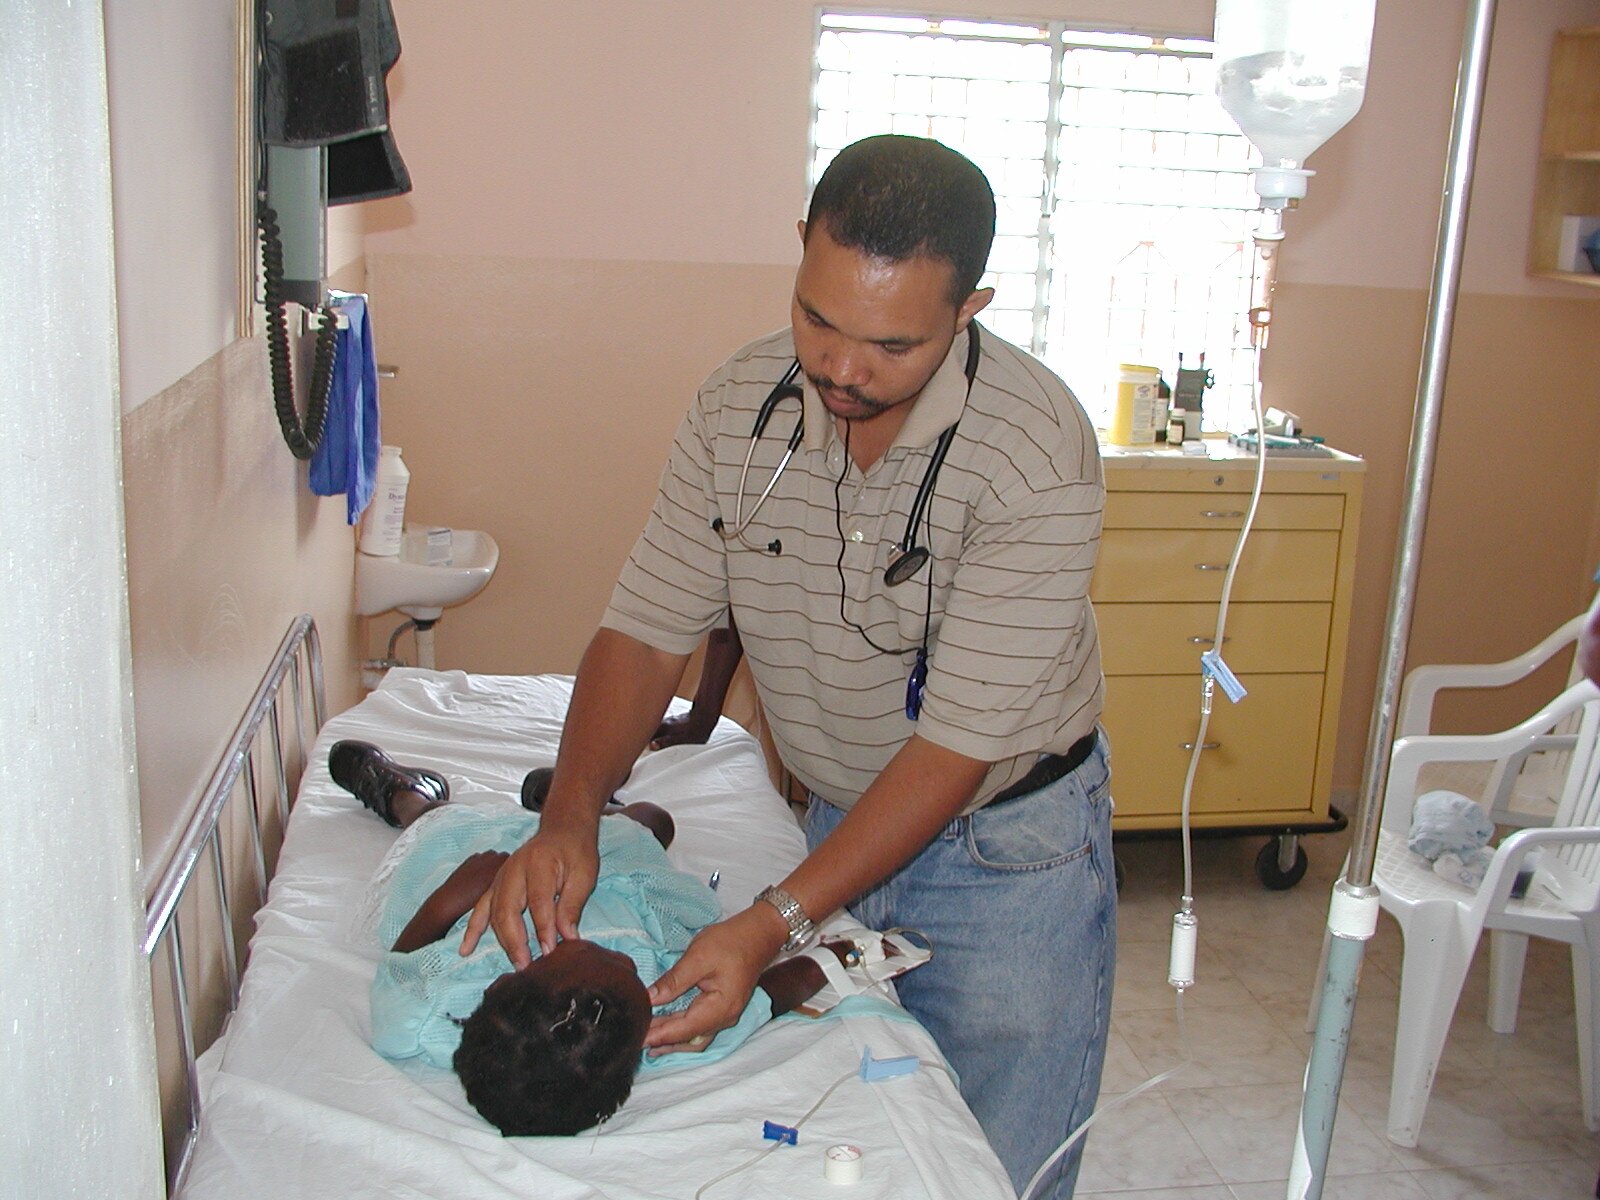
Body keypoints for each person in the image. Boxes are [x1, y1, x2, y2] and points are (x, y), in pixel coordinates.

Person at [464, 134, 1113, 1197]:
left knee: (993, 1167)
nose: (842, 369)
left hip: (1005, 853)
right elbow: (645, 633)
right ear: (800, 249)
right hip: (834, 821)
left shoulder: (1035, 454)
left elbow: (953, 748)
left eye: (891, 345)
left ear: (969, 309)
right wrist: (572, 813)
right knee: (855, 1140)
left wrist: (772, 924)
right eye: (818, 319)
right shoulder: (739, 408)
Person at [330, 740, 908, 1136]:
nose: (629, 963)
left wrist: (457, 893)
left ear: (511, 978)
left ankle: (404, 793)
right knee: (654, 822)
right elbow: (761, 998)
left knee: (434, 827)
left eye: (599, 956)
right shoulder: (654, 1031)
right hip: (618, 879)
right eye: (633, 974)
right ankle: (573, 805)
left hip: (469, 871)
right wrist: (843, 956)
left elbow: (397, 972)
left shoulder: (440, 1009)